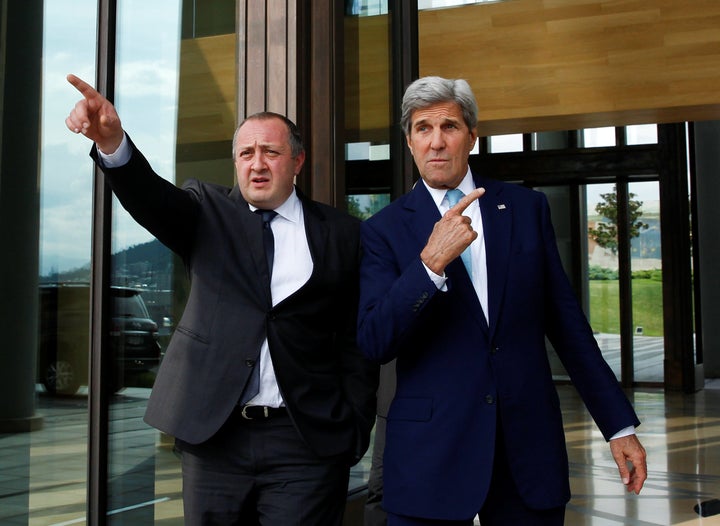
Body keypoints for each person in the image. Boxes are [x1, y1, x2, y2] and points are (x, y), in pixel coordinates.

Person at [65, 74, 379, 525]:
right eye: (246, 153)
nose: (257, 164)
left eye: (270, 152)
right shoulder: (206, 211)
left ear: (297, 161)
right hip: (216, 439)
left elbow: (353, 338)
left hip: (306, 441)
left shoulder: (343, 233)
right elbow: (152, 199)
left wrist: (354, 423)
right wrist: (114, 142)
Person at [356, 76, 647, 526]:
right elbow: (375, 341)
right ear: (409, 141)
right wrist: (429, 266)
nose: (436, 142)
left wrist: (618, 426)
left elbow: (568, 326)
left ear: (473, 135)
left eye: (449, 126)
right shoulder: (382, 230)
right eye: (422, 128)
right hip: (430, 458)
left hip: (526, 453)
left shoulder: (526, 209)